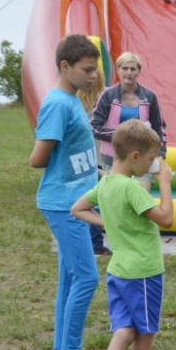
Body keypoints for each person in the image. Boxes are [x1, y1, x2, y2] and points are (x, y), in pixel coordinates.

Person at [71, 120, 174, 350]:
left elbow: (77, 208)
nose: (153, 164)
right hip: (142, 273)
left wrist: (110, 223)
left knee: (123, 332)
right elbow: (166, 218)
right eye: (151, 158)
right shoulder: (131, 188)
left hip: (118, 272)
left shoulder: (105, 183)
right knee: (144, 335)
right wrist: (165, 182)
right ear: (135, 156)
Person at [29, 35, 103, 350]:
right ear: (65, 66)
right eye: (87, 70)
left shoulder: (72, 99)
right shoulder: (58, 104)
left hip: (77, 201)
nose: (93, 75)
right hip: (64, 204)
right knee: (87, 278)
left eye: (95, 69)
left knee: (72, 280)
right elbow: (37, 158)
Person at [91, 52, 166, 191]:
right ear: (118, 70)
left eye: (133, 69)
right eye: (125, 68)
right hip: (113, 159)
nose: (129, 72)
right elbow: (94, 127)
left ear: (139, 71)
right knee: (116, 200)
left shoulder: (149, 97)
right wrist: (125, 135)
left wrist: (160, 153)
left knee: (140, 199)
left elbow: (159, 128)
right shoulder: (108, 95)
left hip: (143, 158)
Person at [77, 68, 111, 257]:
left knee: (86, 201)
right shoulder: (106, 99)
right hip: (100, 159)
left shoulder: (78, 101)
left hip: (85, 159)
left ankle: (91, 241)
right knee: (97, 202)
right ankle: (96, 243)